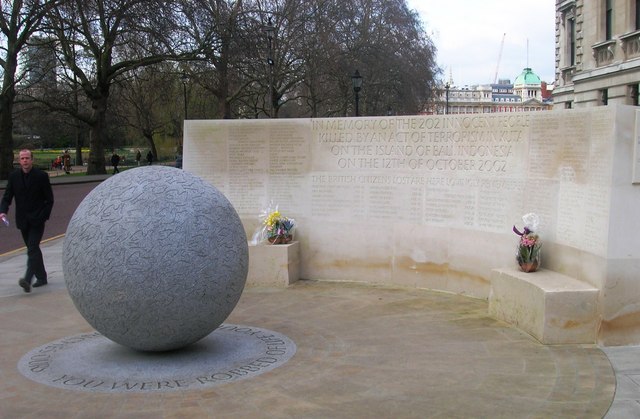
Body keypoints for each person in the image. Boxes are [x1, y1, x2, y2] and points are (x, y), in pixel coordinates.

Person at [0, 149, 54, 293]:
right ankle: (42, 277)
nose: (25, 161)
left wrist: (43, 216)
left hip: (38, 220)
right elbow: (7, 197)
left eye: (27, 158)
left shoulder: (41, 176)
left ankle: (27, 279)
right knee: (33, 249)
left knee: (32, 248)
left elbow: (49, 200)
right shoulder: (14, 177)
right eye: (22, 158)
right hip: (23, 220)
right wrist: (3, 211)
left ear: (32, 160)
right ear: (19, 161)